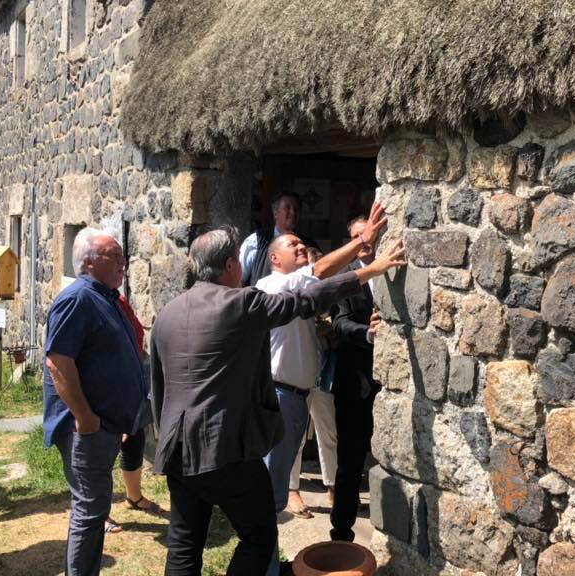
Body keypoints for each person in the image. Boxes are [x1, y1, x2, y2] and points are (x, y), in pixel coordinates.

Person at [151, 217, 405, 576]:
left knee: (183, 546)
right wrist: (368, 271)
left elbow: (159, 388)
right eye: (239, 261)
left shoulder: (168, 314)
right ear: (229, 265)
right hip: (226, 449)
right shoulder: (239, 304)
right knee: (259, 539)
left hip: (178, 449)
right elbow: (305, 299)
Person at [256, 201, 389, 576]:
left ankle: (267, 564)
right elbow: (320, 273)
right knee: (269, 494)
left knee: (275, 490)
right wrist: (363, 247)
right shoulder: (277, 285)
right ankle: (264, 568)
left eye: (302, 243)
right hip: (282, 395)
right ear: (274, 260)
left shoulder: (295, 291)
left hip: (296, 396)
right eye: (291, 245)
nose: (300, 247)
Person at [44, 228, 149, 576]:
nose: (123, 261)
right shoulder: (78, 298)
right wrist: (85, 416)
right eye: (113, 256)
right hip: (87, 428)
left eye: (122, 255)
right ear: (88, 262)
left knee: (95, 506)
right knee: (90, 511)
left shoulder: (105, 297)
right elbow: (58, 361)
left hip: (105, 424)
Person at [329, 216, 382, 543]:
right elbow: (339, 324)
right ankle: (341, 533)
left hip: (390, 385)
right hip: (355, 381)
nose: (365, 243)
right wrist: (369, 333)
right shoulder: (345, 280)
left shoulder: (394, 272)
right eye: (356, 237)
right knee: (350, 460)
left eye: (368, 235)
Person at [104, 293, 163, 534]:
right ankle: (100, 513)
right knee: (104, 449)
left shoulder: (116, 298)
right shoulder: (88, 301)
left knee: (135, 438)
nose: (121, 266)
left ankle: (134, 496)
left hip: (131, 377)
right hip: (108, 386)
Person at [285, 246, 337, 519]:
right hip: (297, 375)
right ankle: (292, 490)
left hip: (322, 374)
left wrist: (328, 329)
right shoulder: (287, 293)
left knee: (328, 432)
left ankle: (332, 485)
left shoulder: (328, 298)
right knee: (294, 436)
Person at [240, 191, 317, 286]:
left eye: (296, 209)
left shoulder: (309, 246)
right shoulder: (257, 241)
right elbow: (238, 280)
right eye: (287, 208)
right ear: (275, 213)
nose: (293, 212)